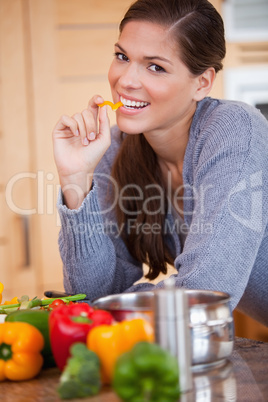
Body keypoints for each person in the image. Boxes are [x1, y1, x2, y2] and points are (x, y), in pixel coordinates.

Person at [52, 0, 268, 326]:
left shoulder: (236, 130)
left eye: (155, 67)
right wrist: (76, 179)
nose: (126, 80)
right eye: (122, 57)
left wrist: (116, 309)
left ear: (202, 83)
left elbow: (205, 292)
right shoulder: (117, 149)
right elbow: (93, 296)